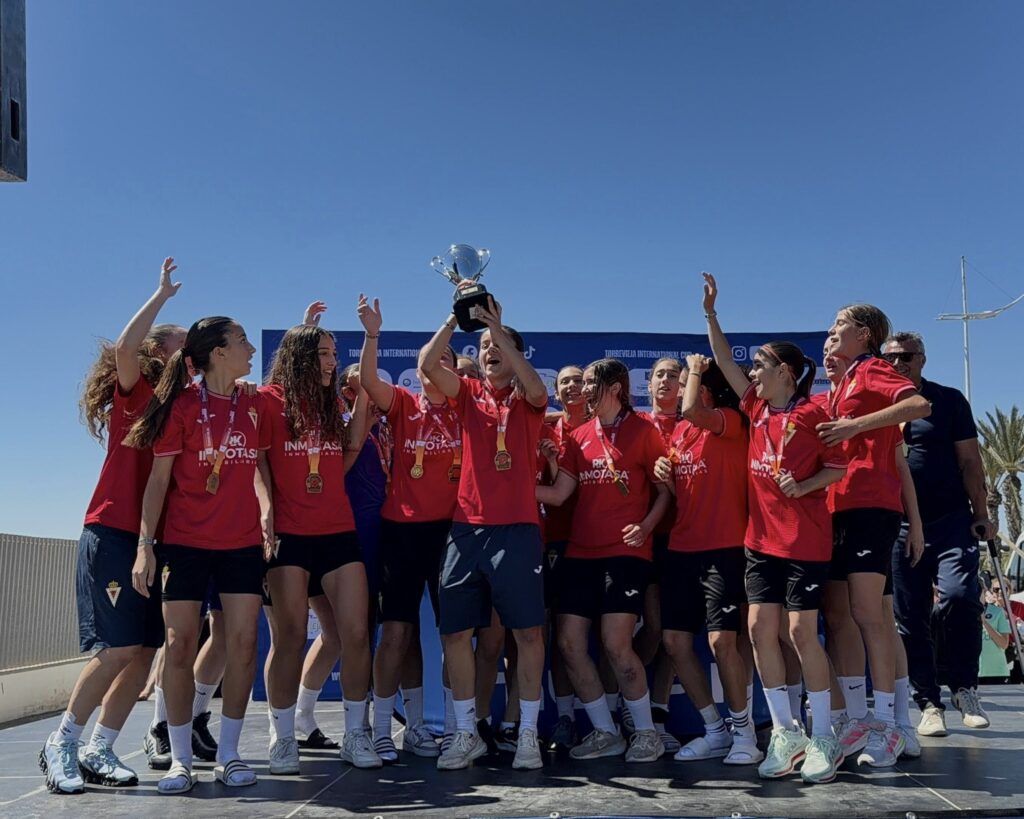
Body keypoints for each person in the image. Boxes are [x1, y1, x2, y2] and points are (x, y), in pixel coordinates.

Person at [40, 259, 185, 795]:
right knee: (117, 650)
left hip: (159, 541)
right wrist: (162, 297)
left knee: (145, 652)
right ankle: (62, 742)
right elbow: (126, 349)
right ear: (158, 355)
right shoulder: (137, 396)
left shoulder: (185, 406)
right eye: (180, 345)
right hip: (115, 533)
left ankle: (101, 747)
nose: (188, 353)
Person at [703, 273, 848, 785]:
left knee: (798, 632)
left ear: (785, 371)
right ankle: (786, 734)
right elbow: (723, 361)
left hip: (804, 541)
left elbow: (840, 468)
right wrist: (712, 315)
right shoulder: (757, 408)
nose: (752, 374)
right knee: (758, 629)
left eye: (760, 366)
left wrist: (805, 485)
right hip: (759, 543)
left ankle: (825, 733)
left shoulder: (815, 411)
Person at [126, 316, 269, 794]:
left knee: (243, 645)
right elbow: (157, 483)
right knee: (180, 645)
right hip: (184, 544)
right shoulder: (183, 405)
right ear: (219, 353)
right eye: (243, 341)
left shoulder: (253, 403)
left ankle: (229, 754)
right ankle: (180, 759)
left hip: (242, 543)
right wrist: (145, 547)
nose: (251, 349)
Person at [419, 293, 549, 771]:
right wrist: (456, 318)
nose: (490, 351)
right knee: (455, 632)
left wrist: (501, 331)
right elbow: (428, 362)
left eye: (499, 346)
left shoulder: (531, 398)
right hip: (466, 529)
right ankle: (466, 733)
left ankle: (530, 735)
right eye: (486, 346)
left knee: (528, 633)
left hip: (517, 529)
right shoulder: (469, 393)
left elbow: (535, 390)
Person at [259, 319, 379, 774]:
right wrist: (266, 507)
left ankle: (354, 733)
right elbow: (256, 461)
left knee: (355, 633)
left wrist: (364, 402)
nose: (332, 361)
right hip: (287, 534)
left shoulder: (331, 402)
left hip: (337, 531)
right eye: (325, 354)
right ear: (302, 357)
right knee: (289, 636)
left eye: (333, 353)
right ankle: (282, 736)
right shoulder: (269, 402)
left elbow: (347, 450)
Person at [537, 359, 670, 763]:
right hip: (580, 553)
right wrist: (504, 492)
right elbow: (559, 494)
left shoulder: (645, 431)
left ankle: (647, 733)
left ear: (614, 387)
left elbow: (666, 492)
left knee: (615, 644)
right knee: (569, 644)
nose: (582, 390)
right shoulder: (577, 436)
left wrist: (645, 527)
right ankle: (605, 732)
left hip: (626, 554)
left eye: (591, 383)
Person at [814, 305, 930, 767]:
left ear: (862, 335)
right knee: (843, 614)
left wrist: (854, 425)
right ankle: (862, 720)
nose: (829, 335)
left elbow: (919, 404)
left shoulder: (874, 369)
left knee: (870, 614)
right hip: (836, 509)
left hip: (870, 508)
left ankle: (889, 724)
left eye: (837, 327)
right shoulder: (837, 387)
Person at [356, 294, 461, 762]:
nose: (435, 366)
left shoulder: (468, 410)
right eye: (431, 359)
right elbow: (366, 381)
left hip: (453, 535)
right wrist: (372, 335)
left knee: (453, 635)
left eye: (446, 359)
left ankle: (457, 730)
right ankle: (388, 728)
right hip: (401, 532)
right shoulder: (402, 403)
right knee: (397, 634)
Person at [883, 331, 996, 735]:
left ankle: (964, 686)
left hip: (949, 521)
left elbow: (970, 461)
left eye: (906, 357)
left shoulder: (947, 400)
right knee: (910, 617)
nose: (898, 364)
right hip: (898, 525)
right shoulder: (877, 404)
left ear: (922, 359)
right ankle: (929, 702)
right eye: (890, 357)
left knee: (959, 599)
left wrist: (982, 513)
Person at [655, 354, 760, 766]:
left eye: (685, 381)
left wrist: (696, 367)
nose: (679, 388)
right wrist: (667, 477)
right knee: (675, 642)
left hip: (726, 549)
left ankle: (744, 734)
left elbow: (692, 409)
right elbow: (687, 494)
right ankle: (715, 731)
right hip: (682, 549)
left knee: (722, 642)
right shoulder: (680, 433)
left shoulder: (729, 421)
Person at [539, 365, 587, 751]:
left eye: (578, 380)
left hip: (602, 544)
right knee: (559, 637)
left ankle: (618, 716)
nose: (572, 386)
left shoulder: (608, 427)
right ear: (556, 392)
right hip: (555, 542)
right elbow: (554, 491)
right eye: (564, 381)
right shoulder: (546, 429)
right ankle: (566, 718)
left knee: (607, 639)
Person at [979, 582, 1012, 682]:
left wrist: (985, 623)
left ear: (984, 592)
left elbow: (1004, 644)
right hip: (972, 673)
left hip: (996, 673)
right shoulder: (965, 613)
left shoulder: (997, 612)